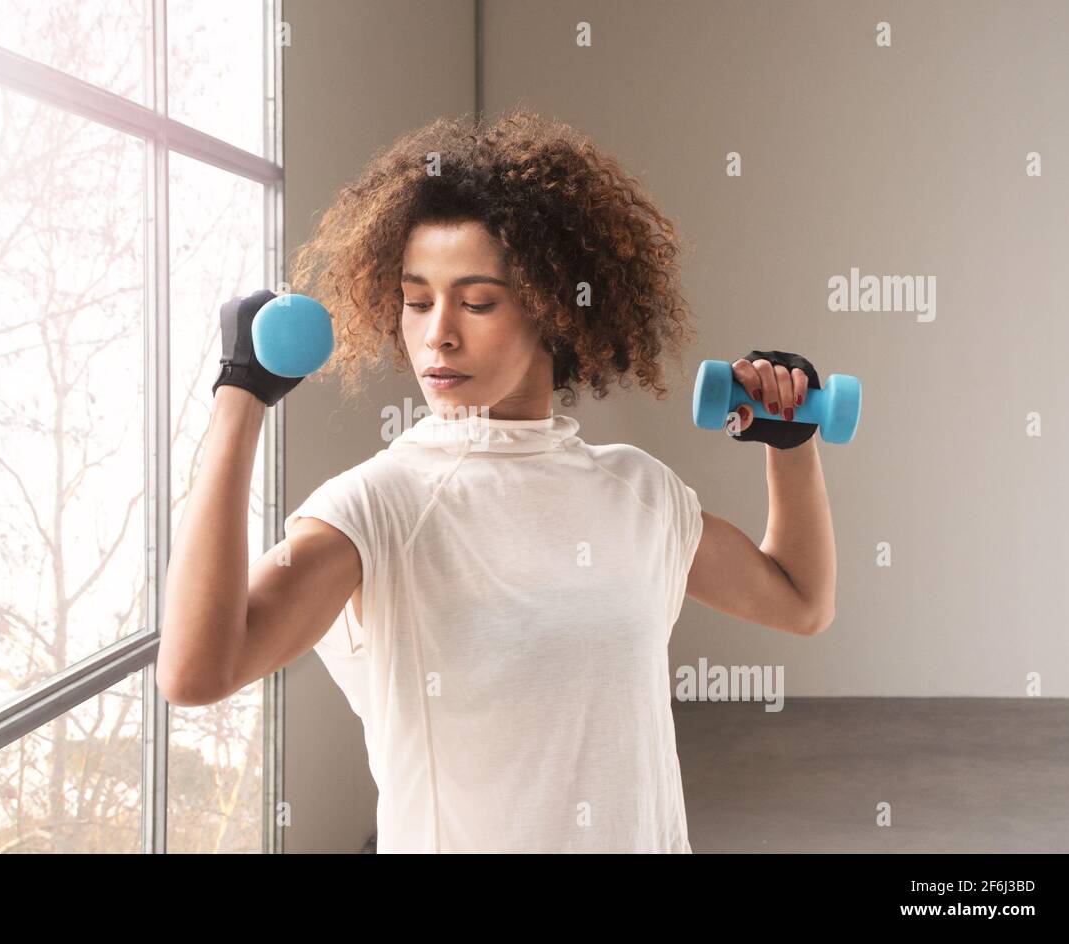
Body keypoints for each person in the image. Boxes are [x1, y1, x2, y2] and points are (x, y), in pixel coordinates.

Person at [158, 108, 837, 853]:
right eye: (417, 301)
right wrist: (239, 399)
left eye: (476, 302)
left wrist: (791, 441)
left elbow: (800, 602)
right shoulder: (379, 508)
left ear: (555, 311)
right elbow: (197, 670)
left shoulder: (638, 492)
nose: (437, 333)